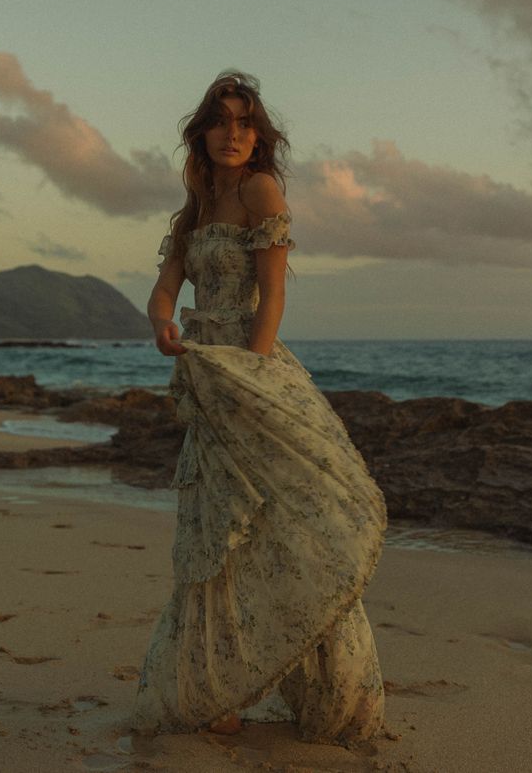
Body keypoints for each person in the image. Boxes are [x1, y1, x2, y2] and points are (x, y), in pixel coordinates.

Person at [131, 71, 388, 746]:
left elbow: (272, 296)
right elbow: (164, 290)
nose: (233, 133)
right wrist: (163, 324)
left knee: (281, 526)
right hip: (206, 380)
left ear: (259, 134)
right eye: (221, 121)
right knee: (214, 530)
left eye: (245, 122)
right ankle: (219, 688)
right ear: (202, 132)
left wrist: (252, 374)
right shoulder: (191, 213)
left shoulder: (260, 191)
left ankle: (322, 689)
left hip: (253, 370)